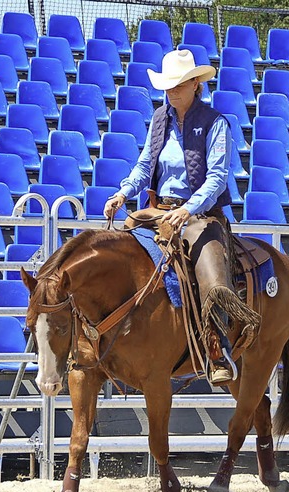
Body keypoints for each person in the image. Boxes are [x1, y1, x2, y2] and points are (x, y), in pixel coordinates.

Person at [103, 49, 260, 385]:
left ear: (194, 85)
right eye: (167, 87)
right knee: (122, 249)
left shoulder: (216, 123)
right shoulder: (160, 119)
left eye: (177, 86)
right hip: (157, 210)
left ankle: (217, 348)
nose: (171, 92)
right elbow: (145, 165)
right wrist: (123, 193)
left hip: (201, 215)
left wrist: (188, 209)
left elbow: (217, 178)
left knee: (212, 274)